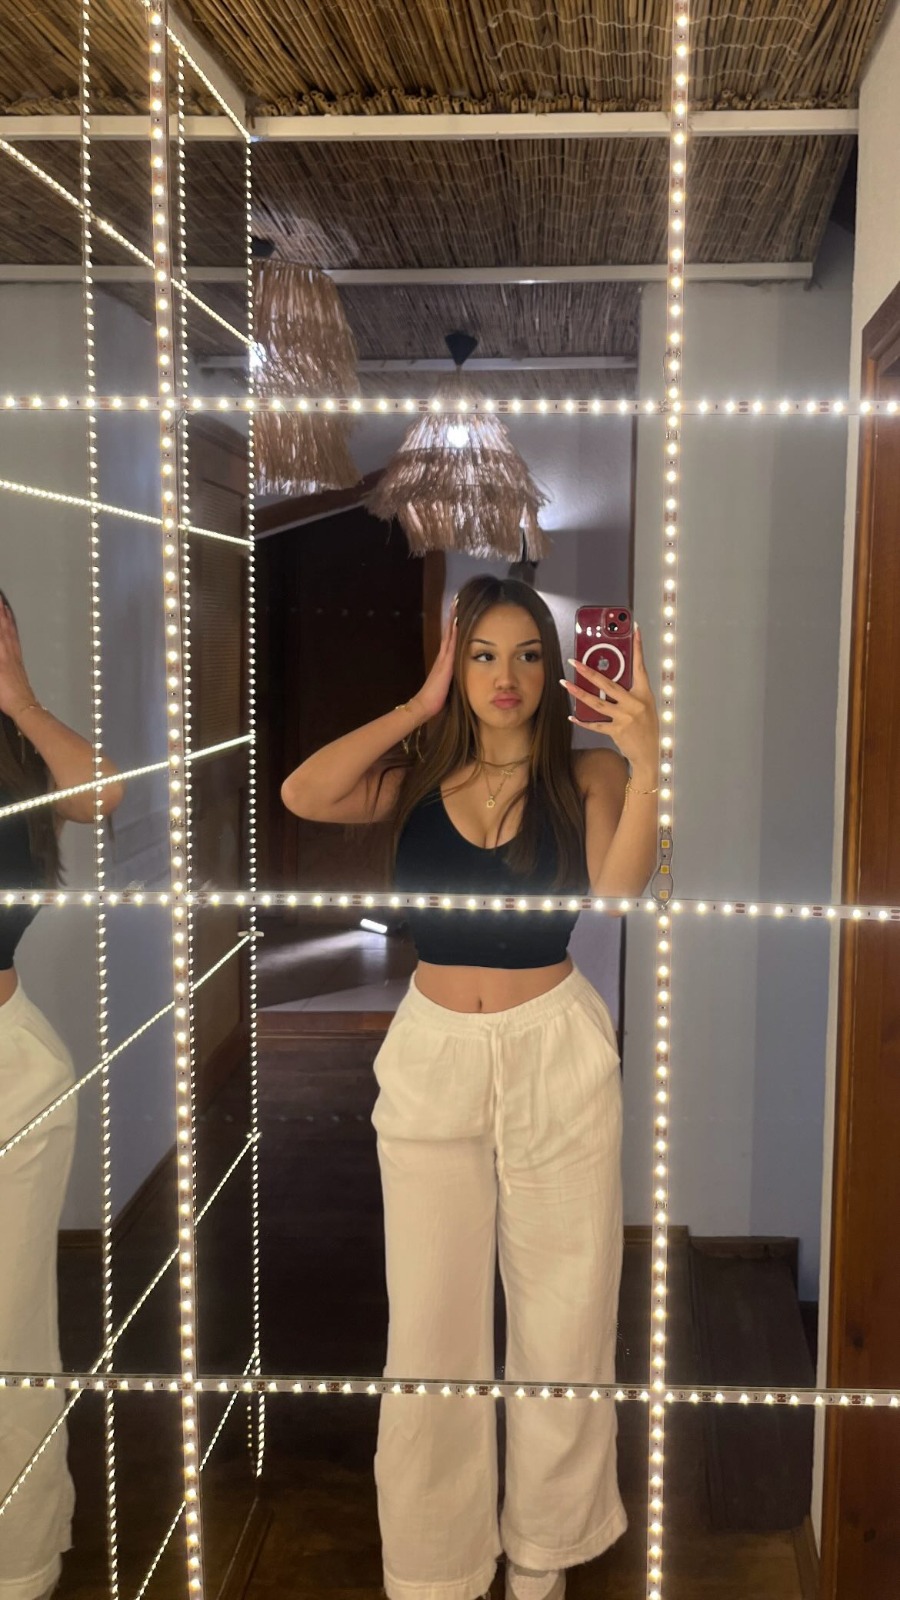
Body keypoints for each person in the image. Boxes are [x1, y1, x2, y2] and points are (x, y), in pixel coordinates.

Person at [281, 576, 659, 1600]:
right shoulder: (414, 777)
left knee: (567, 1312)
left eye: (528, 654)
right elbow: (304, 792)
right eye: (483, 654)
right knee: (431, 1323)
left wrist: (650, 758)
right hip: (434, 1051)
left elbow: (620, 890)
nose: (507, 676)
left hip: (556, 1047)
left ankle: (544, 1551)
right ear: (458, 667)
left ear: (554, 666)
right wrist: (418, 703)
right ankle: (437, 1564)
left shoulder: (585, 771)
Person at [0, 591, 124, 1600]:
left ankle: (20, 1559)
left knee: (12, 1327)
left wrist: (21, 699)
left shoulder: (17, 755)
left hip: (11, 1067)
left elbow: (105, 794)